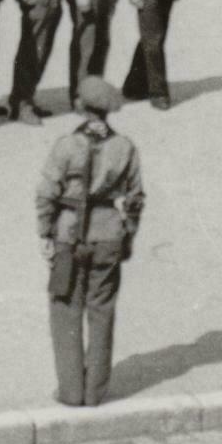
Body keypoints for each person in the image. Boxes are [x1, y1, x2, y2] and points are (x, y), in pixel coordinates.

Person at [35, 74, 146, 408]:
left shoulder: (66, 145)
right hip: (108, 234)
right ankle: (95, 391)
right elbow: (136, 198)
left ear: (80, 107)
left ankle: (70, 390)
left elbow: (46, 194)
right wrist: (128, 231)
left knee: (65, 310)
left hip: (69, 235)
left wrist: (45, 231)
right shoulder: (124, 147)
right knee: (102, 311)